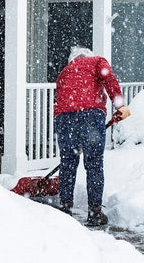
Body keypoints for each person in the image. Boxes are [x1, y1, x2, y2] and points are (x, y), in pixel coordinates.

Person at [53, 47, 131, 226]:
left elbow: (62, 99)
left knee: (68, 163)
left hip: (64, 118)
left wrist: (73, 135)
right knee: (94, 164)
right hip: (90, 115)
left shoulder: (64, 72)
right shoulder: (97, 61)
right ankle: (95, 212)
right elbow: (109, 79)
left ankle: (65, 207)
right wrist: (119, 106)